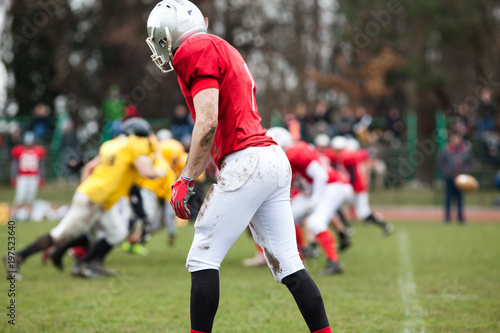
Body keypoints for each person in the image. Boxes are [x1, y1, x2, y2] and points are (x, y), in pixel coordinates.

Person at [146, 2, 332, 332]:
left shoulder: (195, 48)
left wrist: (186, 178)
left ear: (168, 33)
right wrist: (191, 175)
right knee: (290, 265)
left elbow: (207, 123)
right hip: (270, 159)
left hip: (247, 161)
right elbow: (211, 131)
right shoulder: (221, 46)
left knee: (202, 257)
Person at [3, 118, 163, 280]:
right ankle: (17, 257)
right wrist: (161, 172)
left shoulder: (112, 145)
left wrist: (85, 189)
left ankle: (88, 263)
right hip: (94, 198)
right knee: (60, 235)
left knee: (117, 232)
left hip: (97, 198)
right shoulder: (133, 146)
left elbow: (89, 167)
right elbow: (147, 173)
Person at [438, 133, 474, 223]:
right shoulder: (446, 150)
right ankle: (447, 217)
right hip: (449, 178)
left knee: (460, 198)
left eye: (458, 138)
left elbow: (470, 162)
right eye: (454, 138)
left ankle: (460, 218)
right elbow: (440, 162)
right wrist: (446, 171)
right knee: (448, 198)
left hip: (462, 179)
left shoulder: (465, 150)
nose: (456, 141)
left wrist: (467, 171)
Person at [10, 131, 46, 220]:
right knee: (19, 197)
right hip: (22, 177)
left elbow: (41, 166)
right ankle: (12, 215)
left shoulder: (38, 151)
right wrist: (13, 176)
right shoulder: (19, 150)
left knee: (31, 197)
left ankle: (29, 216)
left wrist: (41, 177)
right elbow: (15, 165)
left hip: (34, 177)